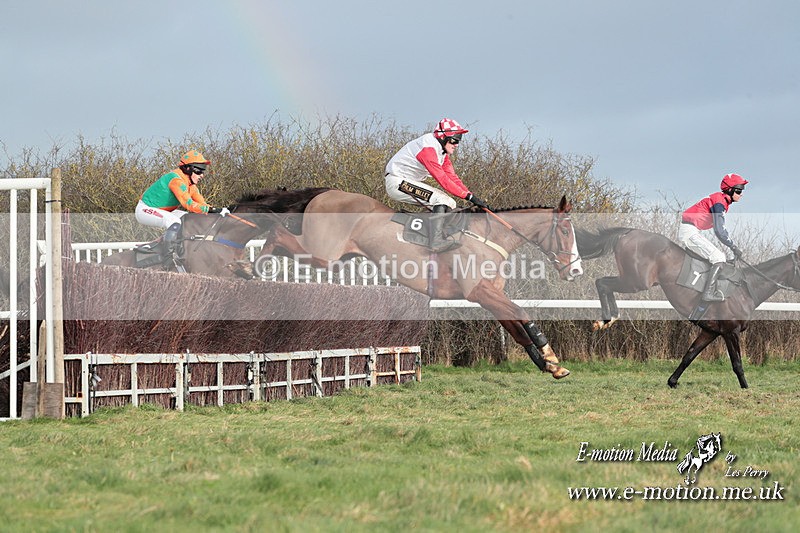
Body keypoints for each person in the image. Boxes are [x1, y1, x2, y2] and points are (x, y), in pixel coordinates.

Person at [384, 118, 489, 251]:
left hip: (406, 181)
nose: (457, 144)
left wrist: (473, 197)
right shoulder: (428, 148)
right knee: (441, 200)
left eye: (459, 140)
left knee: (451, 203)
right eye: (454, 140)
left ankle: (430, 235)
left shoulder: (442, 152)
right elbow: (443, 180)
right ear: (442, 137)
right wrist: (468, 197)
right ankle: (436, 241)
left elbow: (452, 177)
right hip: (397, 182)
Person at [135, 150, 229, 253]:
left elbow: (203, 205)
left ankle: (164, 245)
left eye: (203, 171)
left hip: (164, 211)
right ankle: (167, 255)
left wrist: (217, 212)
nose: (202, 175)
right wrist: (213, 210)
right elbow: (188, 204)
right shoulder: (176, 180)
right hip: (145, 210)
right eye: (199, 171)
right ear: (188, 169)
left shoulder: (190, 185)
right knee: (174, 221)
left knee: (187, 218)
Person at [677, 173, 748, 303]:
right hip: (689, 231)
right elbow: (720, 231)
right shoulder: (719, 202)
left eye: (742, 191)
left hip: (692, 230)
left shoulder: (720, 200)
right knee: (719, 257)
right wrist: (733, 247)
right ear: (730, 190)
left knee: (719, 257)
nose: (741, 194)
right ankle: (708, 293)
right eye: (738, 190)